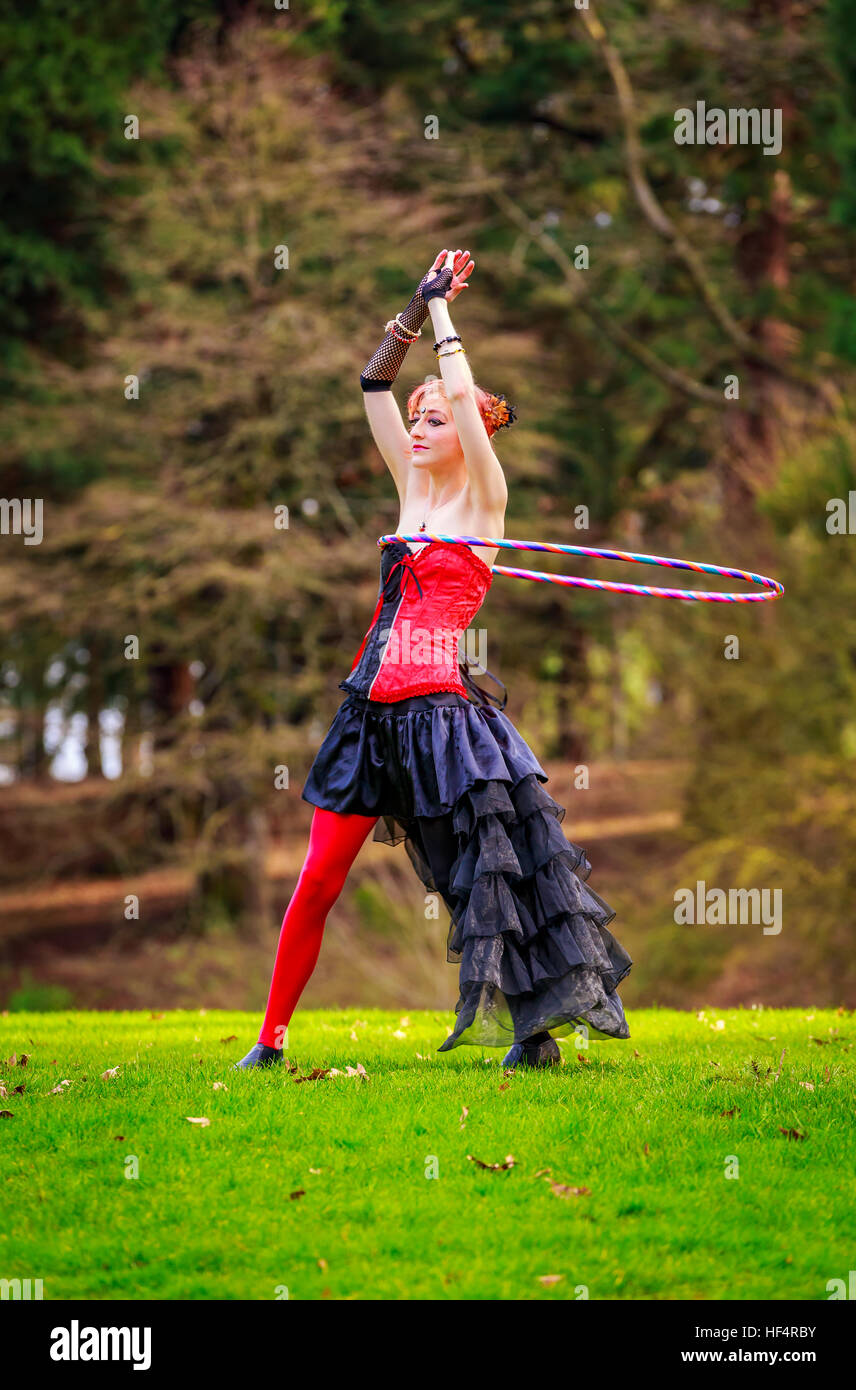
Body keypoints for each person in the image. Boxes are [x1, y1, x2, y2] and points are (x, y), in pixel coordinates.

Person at [235, 249, 631, 1071]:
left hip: (441, 720)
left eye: (436, 421)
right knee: (316, 880)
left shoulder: (483, 503)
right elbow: (374, 385)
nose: (419, 429)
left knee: (478, 884)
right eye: (417, 423)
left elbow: (458, 389)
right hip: (367, 714)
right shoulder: (410, 491)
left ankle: (534, 1034)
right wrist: (412, 309)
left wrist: (446, 311)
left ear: (474, 434)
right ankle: (268, 1043)